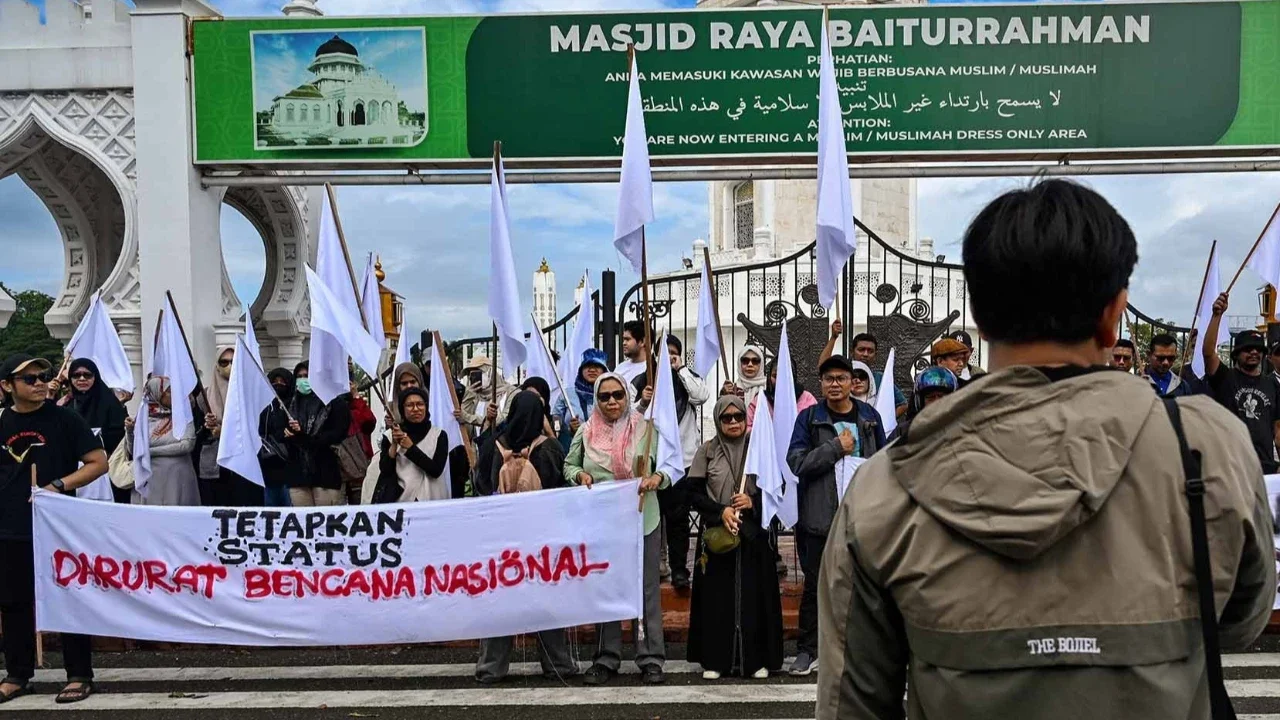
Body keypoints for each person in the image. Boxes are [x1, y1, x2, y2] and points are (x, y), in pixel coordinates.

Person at [816, 179, 1274, 720]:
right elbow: (1240, 622)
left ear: (981, 321)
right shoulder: (1207, 446)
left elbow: (855, 702)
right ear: (1114, 315)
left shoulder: (885, 487)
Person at [0, 353, 107, 705]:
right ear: (6, 386)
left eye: (43, 376)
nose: (40, 383)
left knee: (68, 595)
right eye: (29, 379)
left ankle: (79, 674)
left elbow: (98, 463)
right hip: (11, 526)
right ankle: (18, 674)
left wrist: (58, 485)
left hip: (57, 525)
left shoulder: (65, 418)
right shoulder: (2, 422)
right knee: (14, 601)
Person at [785, 354, 886, 678]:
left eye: (841, 379)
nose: (835, 385)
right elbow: (797, 462)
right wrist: (835, 449)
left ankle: (857, 649)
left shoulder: (869, 416)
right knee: (816, 585)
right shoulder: (810, 418)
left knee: (861, 585)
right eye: (829, 379)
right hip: (819, 518)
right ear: (822, 384)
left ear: (851, 382)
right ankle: (808, 650)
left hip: (860, 516)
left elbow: (883, 462)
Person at [564, 373, 668, 686]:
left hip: (643, 518)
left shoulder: (647, 429)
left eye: (618, 395)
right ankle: (606, 658)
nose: (611, 402)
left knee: (646, 590)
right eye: (605, 396)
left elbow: (669, 465)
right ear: (596, 400)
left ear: (627, 396)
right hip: (604, 523)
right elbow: (569, 465)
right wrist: (579, 476)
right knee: (606, 589)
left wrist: (658, 478)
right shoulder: (585, 431)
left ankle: (650, 658)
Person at [474, 391, 577, 684]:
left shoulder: (493, 446)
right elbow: (561, 487)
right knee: (547, 603)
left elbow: (482, 485)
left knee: (500, 601)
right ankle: (558, 664)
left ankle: (491, 667)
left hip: (502, 539)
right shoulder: (550, 448)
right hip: (542, 540)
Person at [686, 395, 784, 681]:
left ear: (745, 418)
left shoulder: (760, 449)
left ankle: (754, 661)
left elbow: (777, 491)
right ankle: (716, 659)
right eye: (726, 418)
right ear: (718, 421)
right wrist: (721, 511)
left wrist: (753, 502)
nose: (732, 422)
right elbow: (692, 493)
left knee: (755, 599)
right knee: (717, 600)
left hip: (753, 536)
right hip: (719, 536)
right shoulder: (707, 451)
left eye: (738, 417)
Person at [632, 335, 711, 590]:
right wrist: (643, 401)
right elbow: (629, 415)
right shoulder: (644, 380)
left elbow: (701, 396)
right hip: (652, 462)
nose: (669, 356)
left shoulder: (685, 379)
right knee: (652, 518)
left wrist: (681, 369)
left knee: (678, 519)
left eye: (673, 352)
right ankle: (654, 565)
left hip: (682, 461)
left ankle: (679, 569)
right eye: (664, 352)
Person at [1203, 297, 1280, 473]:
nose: (1254, 352)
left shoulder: (1272, 385)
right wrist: (1217, 315)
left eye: (1258, 349)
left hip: (1264, 468)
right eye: (1248, 349)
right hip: (1230, 466)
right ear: (1236, 354)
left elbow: (1278, 430)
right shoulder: (1225, 378)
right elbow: (1208, 353)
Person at [197, 345, 264, 507]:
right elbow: (195, 435)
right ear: (217, 366)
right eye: (224, 362)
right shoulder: (204, 396)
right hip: (215, 465)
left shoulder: (250, 394)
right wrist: (207, 427)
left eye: (233, 362)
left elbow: (256, 429)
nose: (229, 366)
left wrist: (225, 432)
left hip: (243, 465)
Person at [60, 358, 128, 503]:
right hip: (75, 472)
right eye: (76, 375)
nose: (82, 379)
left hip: (107, 470)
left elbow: (119, 436)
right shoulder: (67, 406)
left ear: (95, 377)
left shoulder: (110, 404)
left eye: (87, 375)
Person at [285, 361, 351, 507]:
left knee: (326, 524)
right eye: (299, 376)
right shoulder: (291, 404)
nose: (303, 380)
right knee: (302, 524)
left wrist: (301, 436)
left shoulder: (334, 404)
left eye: (307, 375)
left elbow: (335, 435)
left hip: (326, 475)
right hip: (299, 476)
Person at [127, 376, 201, 506]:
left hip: (177, 478)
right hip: (150, 478)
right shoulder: (142, 418)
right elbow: (134, 450)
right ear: (157, 393)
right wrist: (129, 431)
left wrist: (148, 452)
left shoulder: (183, 415)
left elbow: (186, 445)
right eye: (169, 391)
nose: (174, 394)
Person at [370, 388, 449, 503]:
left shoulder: (439, 435)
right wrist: (394, 445)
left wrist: (410, 448)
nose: (416, 409)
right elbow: (385, 470)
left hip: (433, 501)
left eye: (420, 404)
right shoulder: (390, 436)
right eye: (410, 405)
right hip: (402, 503)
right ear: (402, 409)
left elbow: (436, 470)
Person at [822, 324, 907, 418]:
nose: (865, 354)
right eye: (861, 350)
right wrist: (833, 338)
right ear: (852, 352)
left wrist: (883, 424)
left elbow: (902, 404)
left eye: (870, 351)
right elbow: (823, 366)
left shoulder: (880, 379)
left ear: (875, 355)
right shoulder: (841, 373)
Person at [553, 349, 608, 450]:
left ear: (604, 370)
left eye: (596, 366)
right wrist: (563, 429)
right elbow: (556, 418)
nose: (592, 370)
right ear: (581, 370)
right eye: (587, 366)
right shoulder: (567, 394)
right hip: (570, 449)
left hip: (601, 452)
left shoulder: (610, 394)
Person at [258, 368, 296, 508]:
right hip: (269, 470)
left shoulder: (295, 404)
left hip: (291, 471)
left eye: (282, 382)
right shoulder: (266, 407)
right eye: (274, 382)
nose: (278, 385)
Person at [888, 366, 958, 442]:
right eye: (931, 397)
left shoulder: (964, 427)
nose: (936, 402)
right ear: (920, 402)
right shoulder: (903, 432)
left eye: (941, 396)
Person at [747, 358, 818, 432]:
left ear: (792, 376)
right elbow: (747, 427)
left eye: (784, 376)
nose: (780, 380)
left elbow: (816, 426)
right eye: (775, 376)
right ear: (769, 376)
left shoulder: (807, 398)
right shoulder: (760, 399)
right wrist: (765, 434)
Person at [458, 356, 515, 432]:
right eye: (470, 374)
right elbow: (464, 426)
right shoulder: (473, 397)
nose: (473, 378)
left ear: (490, 372)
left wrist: (468, 418)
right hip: (477, 443)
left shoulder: (511, 393)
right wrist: (467, 398)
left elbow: (503, 421)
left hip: (498, 442)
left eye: (478, 372)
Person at [344, 379, 377, 504]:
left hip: (359, 467)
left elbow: (368, 422)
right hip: (340, 470)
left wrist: (356, 398)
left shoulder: (358, 406)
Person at [1144, 333, 1195, 398]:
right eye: (1161, 358)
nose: (1166, 363)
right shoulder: (1136, 383)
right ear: (1149, 355)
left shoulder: (1182, 386)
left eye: (1171, 358)